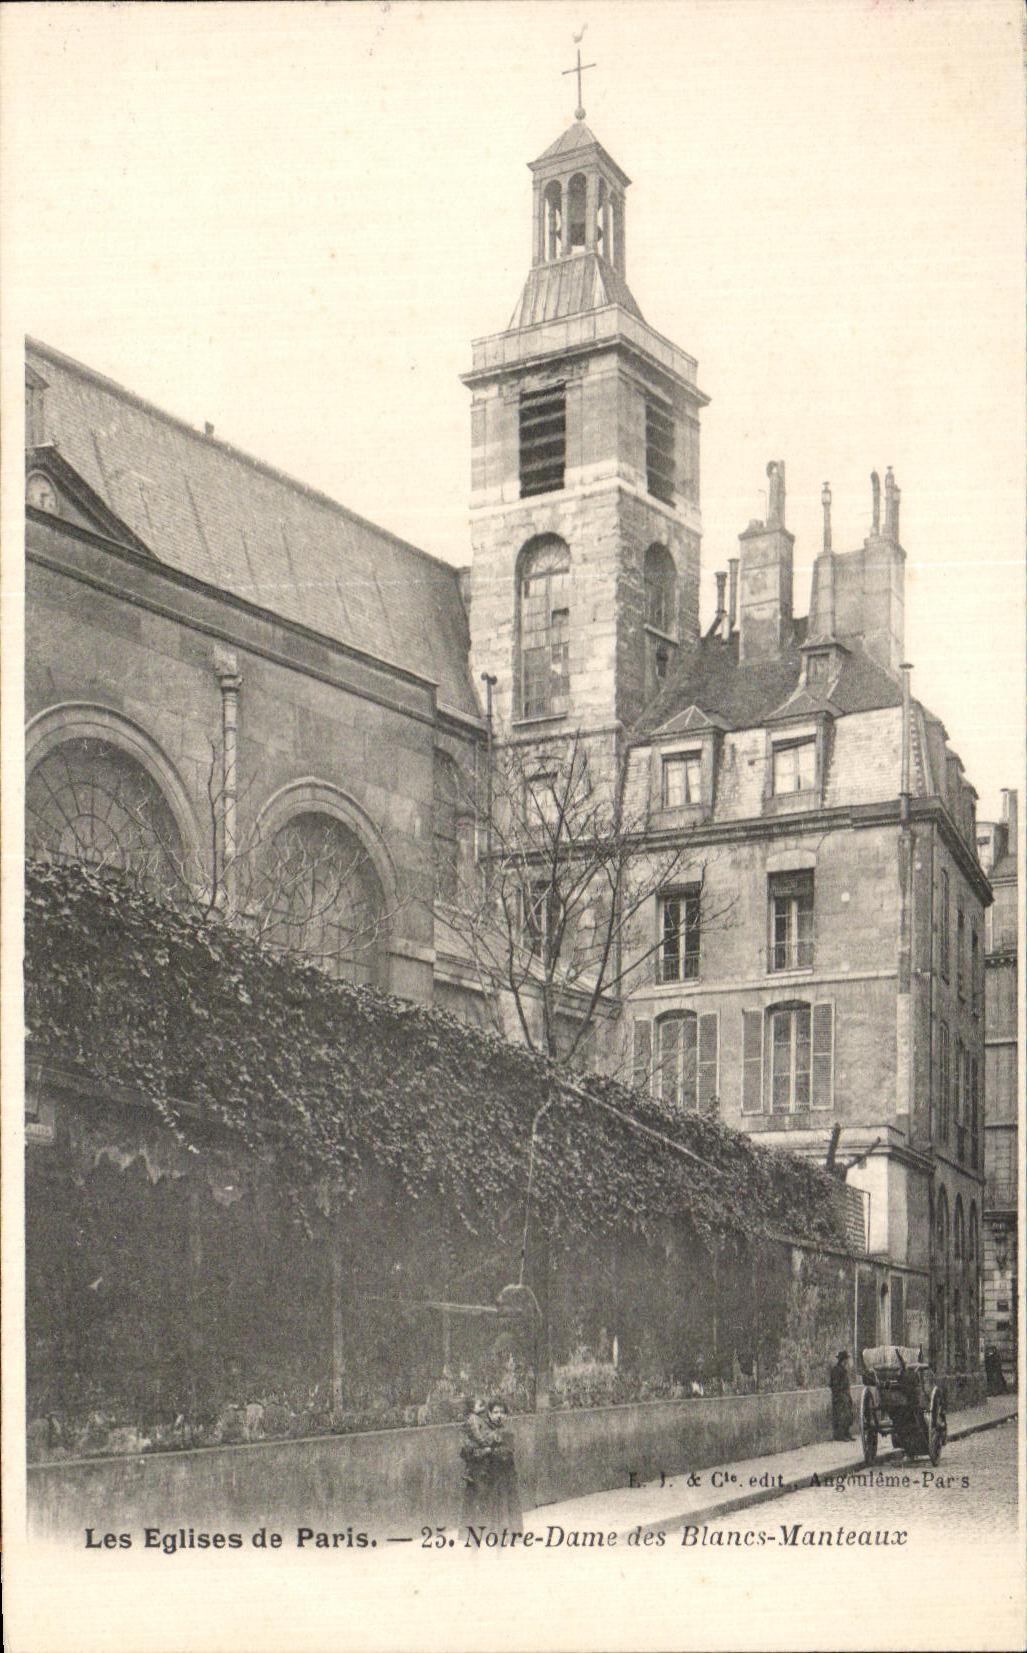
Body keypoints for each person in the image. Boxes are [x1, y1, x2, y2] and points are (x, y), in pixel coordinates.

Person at [829, 1350, 854, 1441]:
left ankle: (847, 1433)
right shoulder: (836, 1370)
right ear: (843, 1360)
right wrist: (839, 1395)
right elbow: (834, 1385)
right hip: (839, 1396)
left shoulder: (844, 1370)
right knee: (841, 1416)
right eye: (846, 1360)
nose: (847, 1362)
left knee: (848, 1415)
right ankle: (841, 1435)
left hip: (845, 1395)